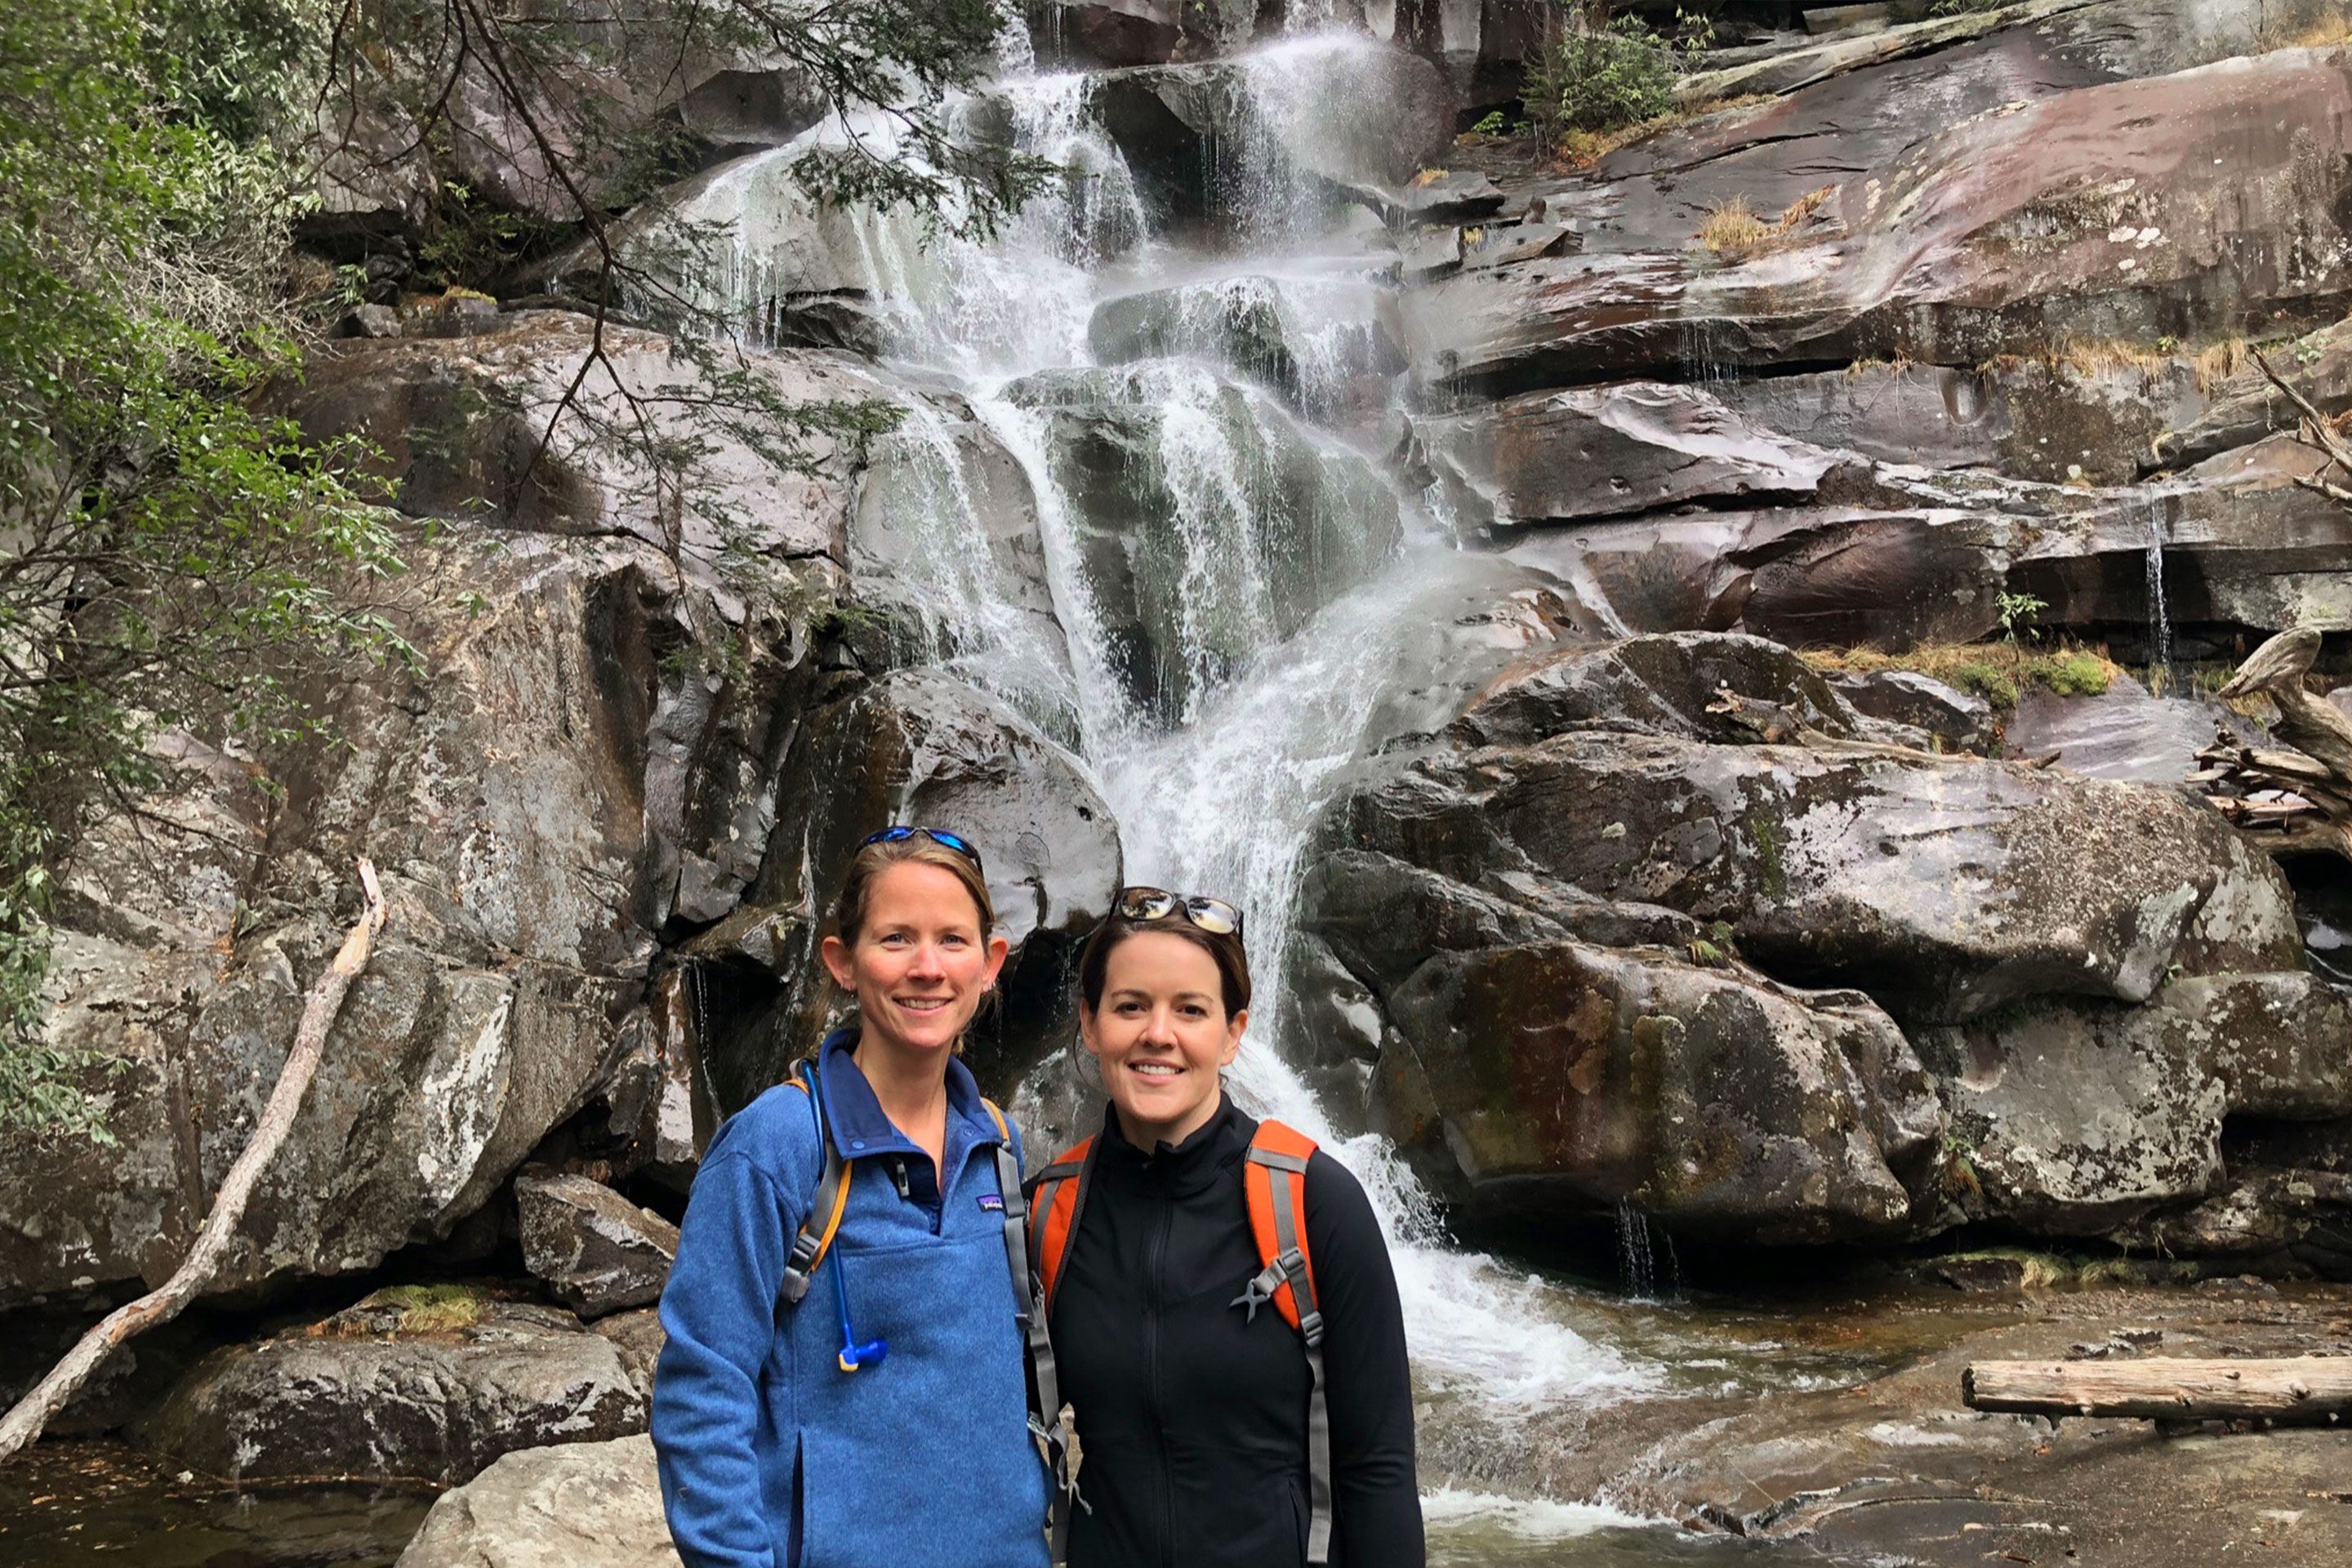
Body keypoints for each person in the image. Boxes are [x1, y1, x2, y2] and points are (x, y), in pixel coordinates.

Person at [652, 826, 1054, 1568]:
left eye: (952, 940)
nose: (927, 968)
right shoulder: (776, 1145)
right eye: (895, 938)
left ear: (991, 963)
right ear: (843, 962)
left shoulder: (998, 1145)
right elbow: (701, 1389)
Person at [1028, 887, 1423, 1568]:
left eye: (1190, 1010)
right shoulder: (1048, 1213)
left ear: (1233, 1033)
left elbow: (1379, 1470)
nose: (1159, 1034)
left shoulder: (1315, 1202)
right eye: (1131, 1006)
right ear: (1090, 1024)